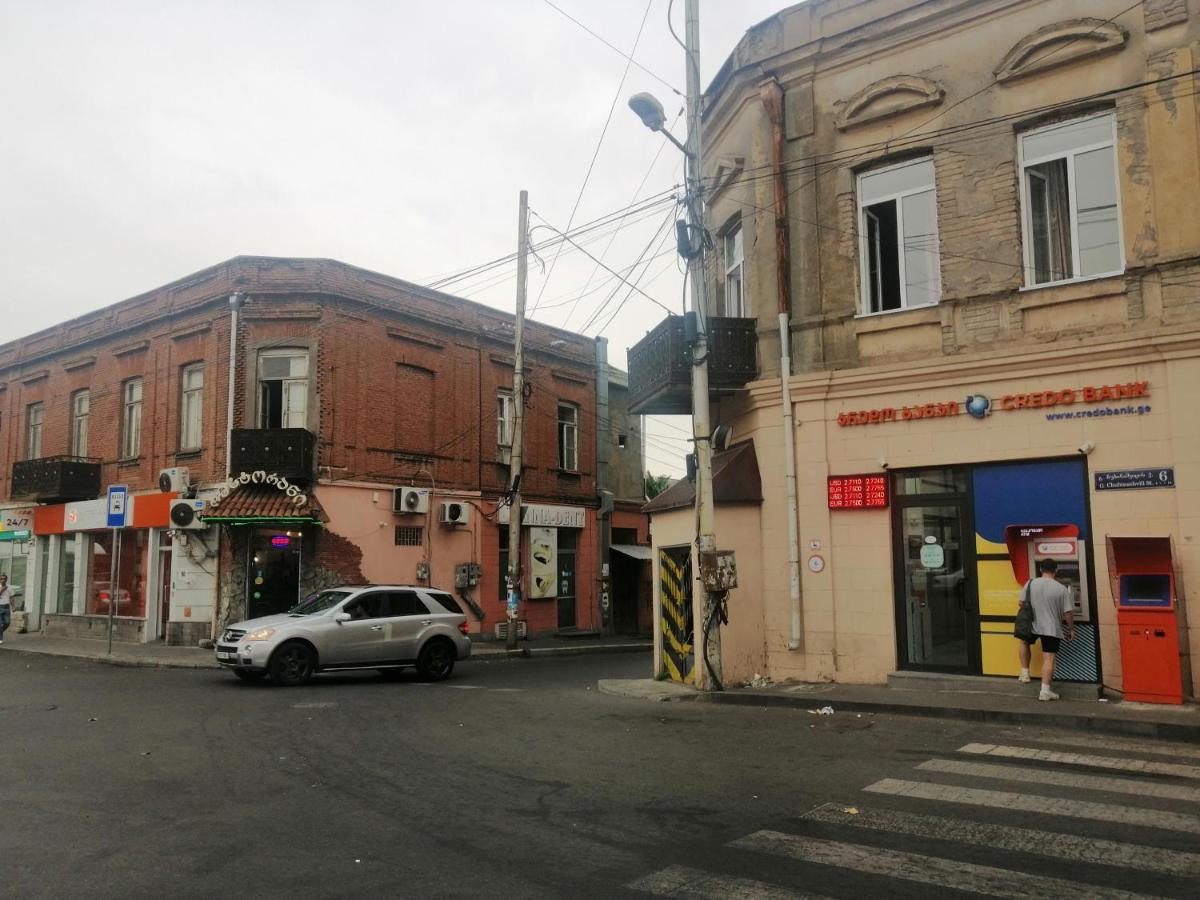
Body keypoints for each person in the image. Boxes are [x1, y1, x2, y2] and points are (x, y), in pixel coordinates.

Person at [1017, 558, 1075, 700]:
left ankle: (1025, 673)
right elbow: (1068, 612)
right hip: (1051, 627)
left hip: (1031, 623)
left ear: (1041, 570)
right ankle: (1045, 691)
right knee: (1049, 658)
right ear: (1056, 570)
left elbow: (1021, 602)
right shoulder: (1061, 589)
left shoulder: (1030, 583)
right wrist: (1071, 629)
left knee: (1024, 643)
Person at [0, 573, 12, 644]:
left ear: (7, 579)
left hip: (7, 607)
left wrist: (13, 607)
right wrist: (2, 589)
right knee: (0, 624)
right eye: (1, 579)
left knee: (7, 623)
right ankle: (0, 638)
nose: (3, 580)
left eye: (4, 579)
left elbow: (12, 597)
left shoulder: (10, 587)